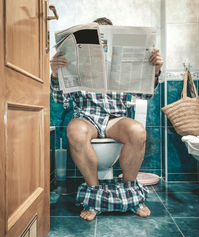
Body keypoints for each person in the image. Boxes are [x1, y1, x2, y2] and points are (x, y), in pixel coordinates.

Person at [50, 17, 164, 221]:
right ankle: (94, 196)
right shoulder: (78, 62)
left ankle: (131, 196)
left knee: (137, 131)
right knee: (75, 131)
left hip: (115, 118)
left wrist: (154, 73)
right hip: (86, 117)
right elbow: (59, 99)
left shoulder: (119, 61)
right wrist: (55, 75)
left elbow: (145, 96)